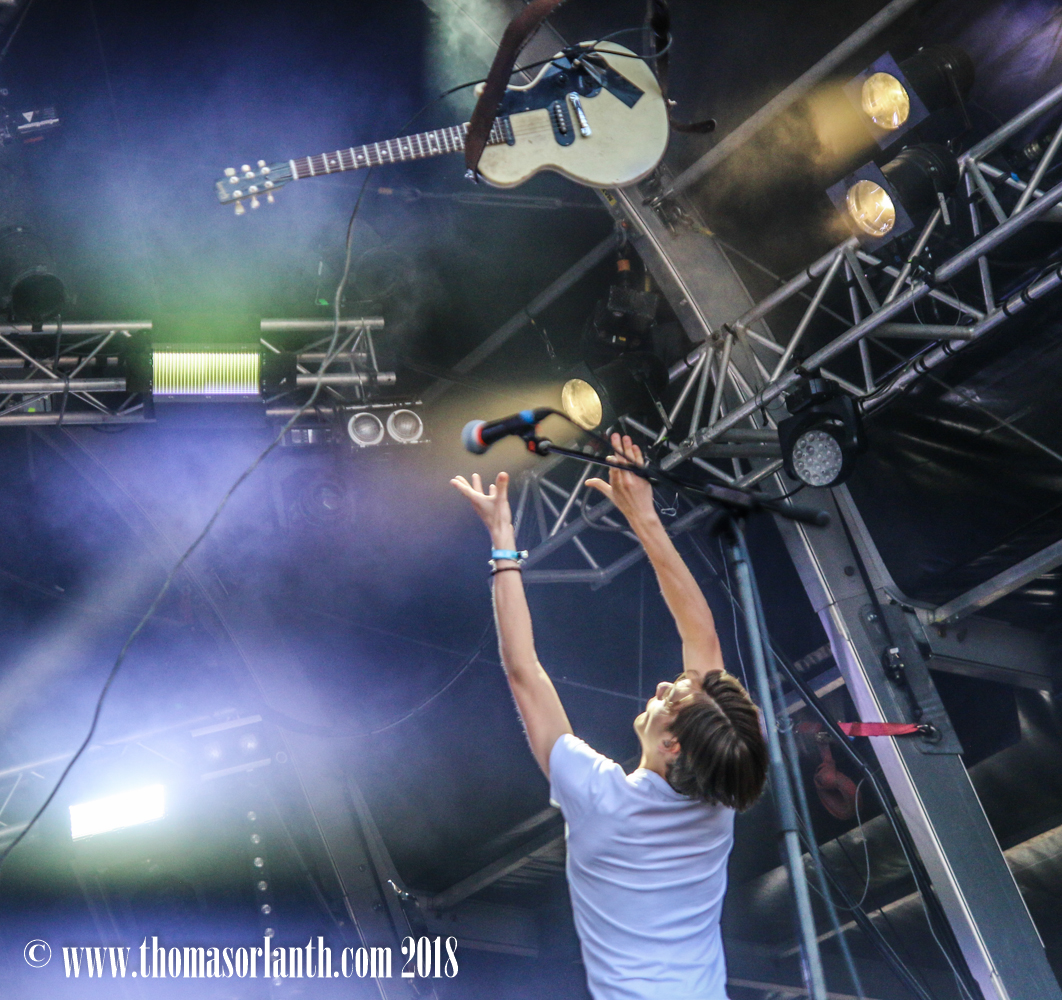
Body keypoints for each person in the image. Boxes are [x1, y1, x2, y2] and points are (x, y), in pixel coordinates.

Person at [451, 433, 769, 1000]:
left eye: (670, 699)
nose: (663, 687)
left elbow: (525, 672)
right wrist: (643, 517)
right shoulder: (715, 794)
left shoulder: (610, 800)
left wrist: (503, 542)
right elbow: (701, 637)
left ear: (673, 746)